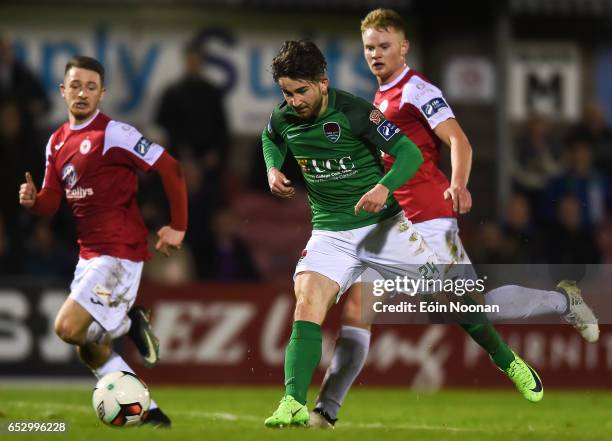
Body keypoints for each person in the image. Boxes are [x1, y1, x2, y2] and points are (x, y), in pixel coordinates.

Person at [309, 9, 599, 428]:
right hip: (394, 224)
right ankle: (326, 411)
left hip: (430, 218)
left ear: (403, 47)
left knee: (470, 307)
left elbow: (458, 140)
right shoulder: (380, 98)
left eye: (384, 46)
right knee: (358, 304)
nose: (376, 54)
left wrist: (459, 183)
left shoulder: (417, 89)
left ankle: (563, 301)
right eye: (370, 47)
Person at [261, 39, 543, 429]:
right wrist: (273, 169)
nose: (293, 101)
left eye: (301, 91)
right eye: (287, 93)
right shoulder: (284, 116)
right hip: (330, 232)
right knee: (307, 302)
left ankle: (505, 359)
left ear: (323, 83)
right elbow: (270, 137)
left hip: (384, 230)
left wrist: (384, 187)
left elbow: (409, 153)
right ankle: (293, 401)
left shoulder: (357, 112)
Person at [18, 56, 188, 428]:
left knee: (66, 328)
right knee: (89, 349)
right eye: (75, 85)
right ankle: (151, 415)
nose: (82, 93)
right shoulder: (57, 141)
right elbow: (51, 201)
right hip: (89, 255)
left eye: (91, 86)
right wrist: (34, 201)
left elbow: (170, 168)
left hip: (119, 252)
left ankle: (128, 322)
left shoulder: (115, 134)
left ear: (102, 93)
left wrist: (178, 225)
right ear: (63, 91)